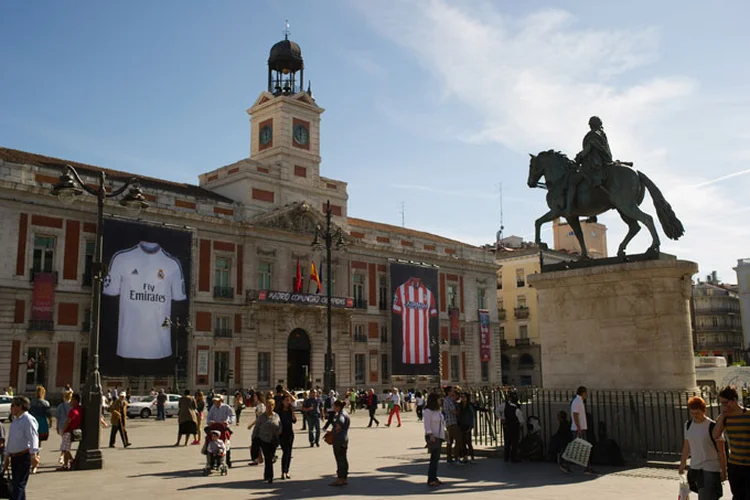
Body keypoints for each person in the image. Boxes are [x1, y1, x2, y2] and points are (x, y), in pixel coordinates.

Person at [678, 396, 726, 500]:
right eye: (692, 413)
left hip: (710, 467)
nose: (695, 416)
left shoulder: (712, 426)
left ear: (704, 410)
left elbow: (721, 451)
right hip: (695, 467)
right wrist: (682, 463)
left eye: (698, 413)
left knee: (704, 496)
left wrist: (723, 470)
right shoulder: (688, 425)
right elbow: (687, 446)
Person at [565, 115, 613, 215]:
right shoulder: (602, 134)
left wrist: (579, 157)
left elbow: (588, 149)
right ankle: (592, 215)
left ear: (591, 125)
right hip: (604, 162)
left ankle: (569, 209)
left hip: (593, 164)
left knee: (572, 181)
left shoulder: (592, 135)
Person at [713, 385, 750, 499]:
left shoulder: (748, 415)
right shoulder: (725, 418)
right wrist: (722, 416)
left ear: (734, 400)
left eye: (726, 403)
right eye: (722, 403)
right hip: (735, 464)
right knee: (737, 496)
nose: (724, 406)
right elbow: (716, 435)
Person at [2, 396, 39, 500]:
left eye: (13, 405)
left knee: (18, 485)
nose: (11, 407)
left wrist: (33, 455)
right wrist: (7, 456)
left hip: (24, 456)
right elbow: (11, 440)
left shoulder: (28, 420)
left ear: (20, 406)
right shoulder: (15, 421)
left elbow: (33, 438)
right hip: (15, 457)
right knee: (18, 485)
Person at [560, 386, 596, 474]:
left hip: (580, 428)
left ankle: (585, 467)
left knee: (582, 448)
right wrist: (579, 428)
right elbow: (575, 415)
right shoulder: (577, 401)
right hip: (578, 429)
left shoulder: (579, 401)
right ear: (583, 393)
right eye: (586, 393)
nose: (587, 395)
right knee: (579, 448)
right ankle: (565, 463)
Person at [253, 398, 281, 484]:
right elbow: (256, 428)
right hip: (263, 439)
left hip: (273, 440)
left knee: (270, 458)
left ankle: (266, 474)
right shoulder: (262, 417)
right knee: (268, 457)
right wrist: (254, 439)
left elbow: (280, 425)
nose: (269, 408)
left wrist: (279, 432)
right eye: (268, 406)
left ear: (274, 406)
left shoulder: (276, 416)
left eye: (271, 406)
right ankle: (270, 476)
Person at [423, 392, 445, 487]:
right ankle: (431, 479)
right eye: (439, 399)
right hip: (432, 436)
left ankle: (434, 477)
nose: (441, 401)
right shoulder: (428, 411)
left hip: (439, 436)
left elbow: (441, 423)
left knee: (436, 458)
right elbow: (427, 424)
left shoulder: (438, 410)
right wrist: (430, 434)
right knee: (434, 458)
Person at [27, 386, 50, 474]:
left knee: (32, 441)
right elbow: (48, 414)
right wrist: (50, 422)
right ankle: (36, 459)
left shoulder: (32, 403)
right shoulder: (46, 403)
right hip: (42, 423)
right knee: (38, 442)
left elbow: (28, 412)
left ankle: (32, 459)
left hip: (33, 422)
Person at [206, 394, 234, 466]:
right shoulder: (213, 408)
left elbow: (232, 416)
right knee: (209, 440)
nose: (216, 402)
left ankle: (227, 460)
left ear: (221, 400)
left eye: (217, 401)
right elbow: (208, 418)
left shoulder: (226, 407)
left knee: (226, 443)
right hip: (215, 428)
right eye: (215, 401)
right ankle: (210, 460)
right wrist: (210, 422)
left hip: (223, 428)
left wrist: (228, 422)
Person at [497, 391, 524, 463]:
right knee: (514, 442)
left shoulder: (506, 407)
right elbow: (521, 421)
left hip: (507, 426)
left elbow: (497, 411)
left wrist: (502, 419)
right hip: (515, 427)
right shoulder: (517, 409)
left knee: (507, 442)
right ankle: (513, 457)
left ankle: (506, 457)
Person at [58, 393, 82, 471]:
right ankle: (65, 465)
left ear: (75, 401)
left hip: (68, 431)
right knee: (65, 449)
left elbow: (68, 421)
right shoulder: (80, 409)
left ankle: (72, 461)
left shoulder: (73, 411)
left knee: (65, 449)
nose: (70, 402)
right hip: (75, 430)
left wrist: (63, 430)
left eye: (72, 400)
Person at [329, 400, 350, 487]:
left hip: (339, 439)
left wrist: (332, 432)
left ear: (338, 406)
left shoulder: (340, 415)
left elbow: (339, 424)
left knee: (339, 459)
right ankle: (344, 478)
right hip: (345, 438)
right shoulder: (345, 413)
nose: (333, 408)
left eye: (334, 406)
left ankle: (339, 479)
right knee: (344, 459)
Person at [278, 392, 297, 479]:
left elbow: (294, 421)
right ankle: (283, 472)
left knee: (289, 453)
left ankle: (287, 471)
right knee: (285, 452)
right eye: (286, 400)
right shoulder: (279, 411)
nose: (288, 402)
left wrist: (292, 411)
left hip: (290, 434)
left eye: (289, 400)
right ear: (282, 401)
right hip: (282, 434)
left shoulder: (290, 410)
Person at [442, 386, 462, 464]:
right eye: (452, 391)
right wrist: (458, 412)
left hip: (448, 422)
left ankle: (449, 458)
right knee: (458, 439)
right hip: (452, 422)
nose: (453, 392)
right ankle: (456, 457)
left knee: (449, 441)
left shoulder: (446, 400)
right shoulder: (449, 400)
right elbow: (454, 412)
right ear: (449, 392)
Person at [248, 392, 266, 466]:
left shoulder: (261, 406)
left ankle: (256, 459)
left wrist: (251, 425)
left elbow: (260, 418)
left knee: (255, 442)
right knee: (257, 442)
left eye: (255, 396)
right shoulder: (258, 405)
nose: (254, 398)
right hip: (259, 426)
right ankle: (258, 458)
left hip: (260, 426)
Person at [54, 390, 72, 465]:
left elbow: (57, 418)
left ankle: (69, 459)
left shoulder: (60, 406)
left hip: (61, 426)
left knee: (65, 443)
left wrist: (57, 427)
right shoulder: (72, 406)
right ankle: (64, 458)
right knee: (66, 444)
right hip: (69, 426)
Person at [459, 391, 476, 464]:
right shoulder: (460, 405)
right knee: (462, 442)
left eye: (464, 397)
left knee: (468, 442)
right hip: (461, 425)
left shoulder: (469, 406)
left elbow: (472, 417)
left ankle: (472, 457)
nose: (462, 398)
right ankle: (465, 456)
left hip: (467, 425)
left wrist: (471, 426)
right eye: (461, 397)